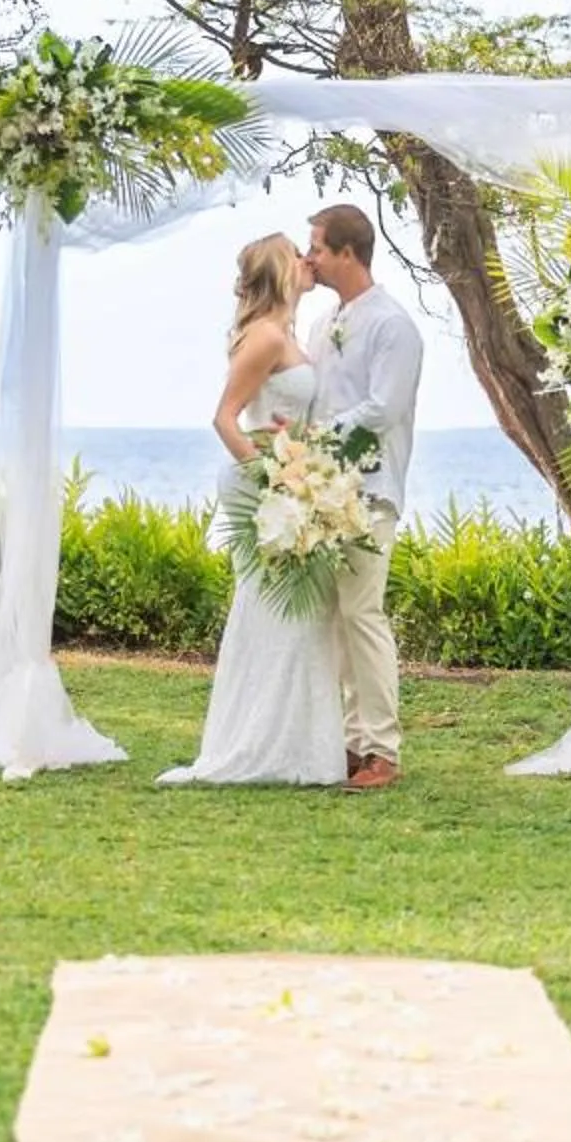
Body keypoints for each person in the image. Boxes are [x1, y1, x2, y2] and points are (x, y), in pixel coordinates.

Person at [157, 236, 348, 787]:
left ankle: (298, 749)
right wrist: (275, 477)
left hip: (290, 479)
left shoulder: (287, 331)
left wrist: (305, 465)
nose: (309, 261)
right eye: (297, 254)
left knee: (300, 613)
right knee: (274, 610)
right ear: (280, 272)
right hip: (260, 484)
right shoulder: (265, 335)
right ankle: (258, 747)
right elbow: (225, 418)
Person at [301, 203, 423, 790]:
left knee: (363, 613)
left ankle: (383, 749)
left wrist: (319, 438)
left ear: (348, 253)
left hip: (371, 489)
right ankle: (351, 742)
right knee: (337, 620)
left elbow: (384, 409)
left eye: (318, 249)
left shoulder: (393, 326)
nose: (310, 260)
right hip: (322, 490)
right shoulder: (323, 325)